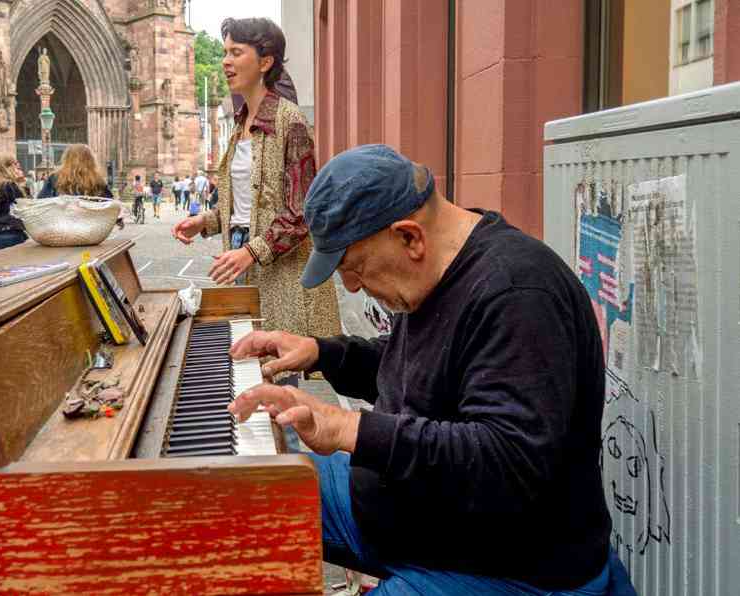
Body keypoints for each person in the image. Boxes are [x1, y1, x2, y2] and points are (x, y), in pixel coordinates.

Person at [226, 145, 637, 596]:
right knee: (242, 490)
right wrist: (322, 353)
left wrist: (349, 429)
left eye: (354, 267)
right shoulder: (438, 266)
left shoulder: (517, 294)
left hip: (511, 567)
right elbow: (427, 369)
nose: (352, 285)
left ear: (409, 237)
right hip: (406, 512)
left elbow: (508, 461)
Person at [172, 17, 340, 350]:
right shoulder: (239, 125)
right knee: (245, 353)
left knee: (278, 358)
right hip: (239, 255)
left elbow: (302, 213)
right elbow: (241, 205)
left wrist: (252, 251)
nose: (225, 61)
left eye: (236, 52)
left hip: (281, 268)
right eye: (224, 52)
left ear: (265, 62)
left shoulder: (289, 120)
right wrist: (204, 222)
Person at [38, 144, 114, 200]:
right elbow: (109, 204)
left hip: (61, 220)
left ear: (66, 159)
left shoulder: (54, 178)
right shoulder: (98, 181)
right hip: (92, 220)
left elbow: (41, 202)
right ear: (91, 161)